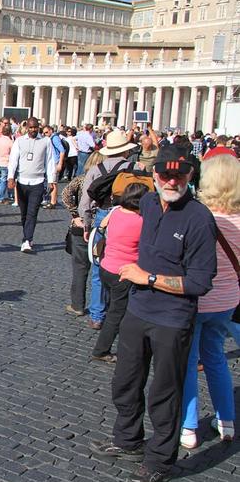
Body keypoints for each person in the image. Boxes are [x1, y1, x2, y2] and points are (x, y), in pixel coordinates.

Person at [91, 143, 217, 482]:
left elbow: (199, 282)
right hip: (137, 309)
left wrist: (147, 277)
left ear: (191, 176)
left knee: (164, 390)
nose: (171, 180)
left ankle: (160, 459)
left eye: (179, 174)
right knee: (126, 380)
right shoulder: (147, 202)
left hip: (173, 318)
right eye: (165, 173)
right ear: (155, 174)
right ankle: (127, 438)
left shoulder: (199, 219)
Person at [179, 153, 239, 448]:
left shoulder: (200, 217)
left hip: (199, 300)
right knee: (215, 358)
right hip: (228, 301)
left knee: (189, 362)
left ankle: (189, 427)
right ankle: (226, 421)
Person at [80, 129, 140, 330]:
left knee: (98, 267)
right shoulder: (136, 167)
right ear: (125, 150)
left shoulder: (97, 169)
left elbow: (85, 202)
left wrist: (87, 225)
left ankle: (97, 315)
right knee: (130, 262)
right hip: (131, 218)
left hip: (103, 215)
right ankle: (124, 313)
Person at [91, 183, 150, 364]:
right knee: (117, 314)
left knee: (114, 308)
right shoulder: (140, 221)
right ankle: (102, 350)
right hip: (123, 273)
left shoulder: (116, 212)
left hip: (106, 267)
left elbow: (102, 226)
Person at [61, 152, 107, 318]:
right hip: (101, 227)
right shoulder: (108, 181)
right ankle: (99, 306)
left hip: (81, 227)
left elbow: (65, 194)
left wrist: (75, 215)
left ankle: (77, 305)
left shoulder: (81, 179)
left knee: (80, 269)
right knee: (100, 269)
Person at [6, 117, 57, 253]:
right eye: (31, 127)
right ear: (27, 128)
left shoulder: (46, 141)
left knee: (32, 213)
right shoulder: (19, 141)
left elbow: (50, 162)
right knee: (24, 213)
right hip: (22, 182)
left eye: (35, 127)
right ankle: (27, 234)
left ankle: (27, 239)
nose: (33, 130)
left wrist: (52, 180)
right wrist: (10, 177)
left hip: (38, 182)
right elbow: (13, 160)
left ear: (38, 128)